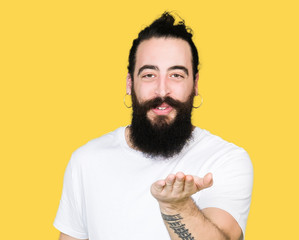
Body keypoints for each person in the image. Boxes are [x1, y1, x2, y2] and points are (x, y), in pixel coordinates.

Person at [53, 12, 253, 240]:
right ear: (130, 83)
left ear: (195, 84)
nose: (162, 91)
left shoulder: (225, 160)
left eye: (176, 75)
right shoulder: (86, 160)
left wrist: (176, 207)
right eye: (149, 74)